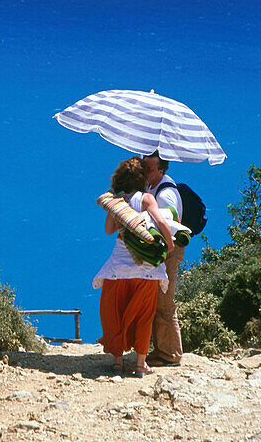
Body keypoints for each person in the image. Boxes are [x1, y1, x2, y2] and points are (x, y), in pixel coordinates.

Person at [93, 156, 175, 377]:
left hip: (118, 268)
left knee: (115, 313)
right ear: (142, 178)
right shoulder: (147, 198)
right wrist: (169, 244)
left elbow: (109, 230)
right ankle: (140, 364)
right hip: (146, 270)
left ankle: (118, 363)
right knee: (144, 315)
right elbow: (161, 223)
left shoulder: (115, 201)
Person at [141, 151, 184, 367]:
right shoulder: (152, 185)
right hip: (164, 248)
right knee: (158, 298)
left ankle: (171, 354)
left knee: (165, 300)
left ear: (162, 168)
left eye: (150, 166)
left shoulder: (165, 193)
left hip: (169, 249)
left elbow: (169, 223)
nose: (146, 166)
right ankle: (161, 350)